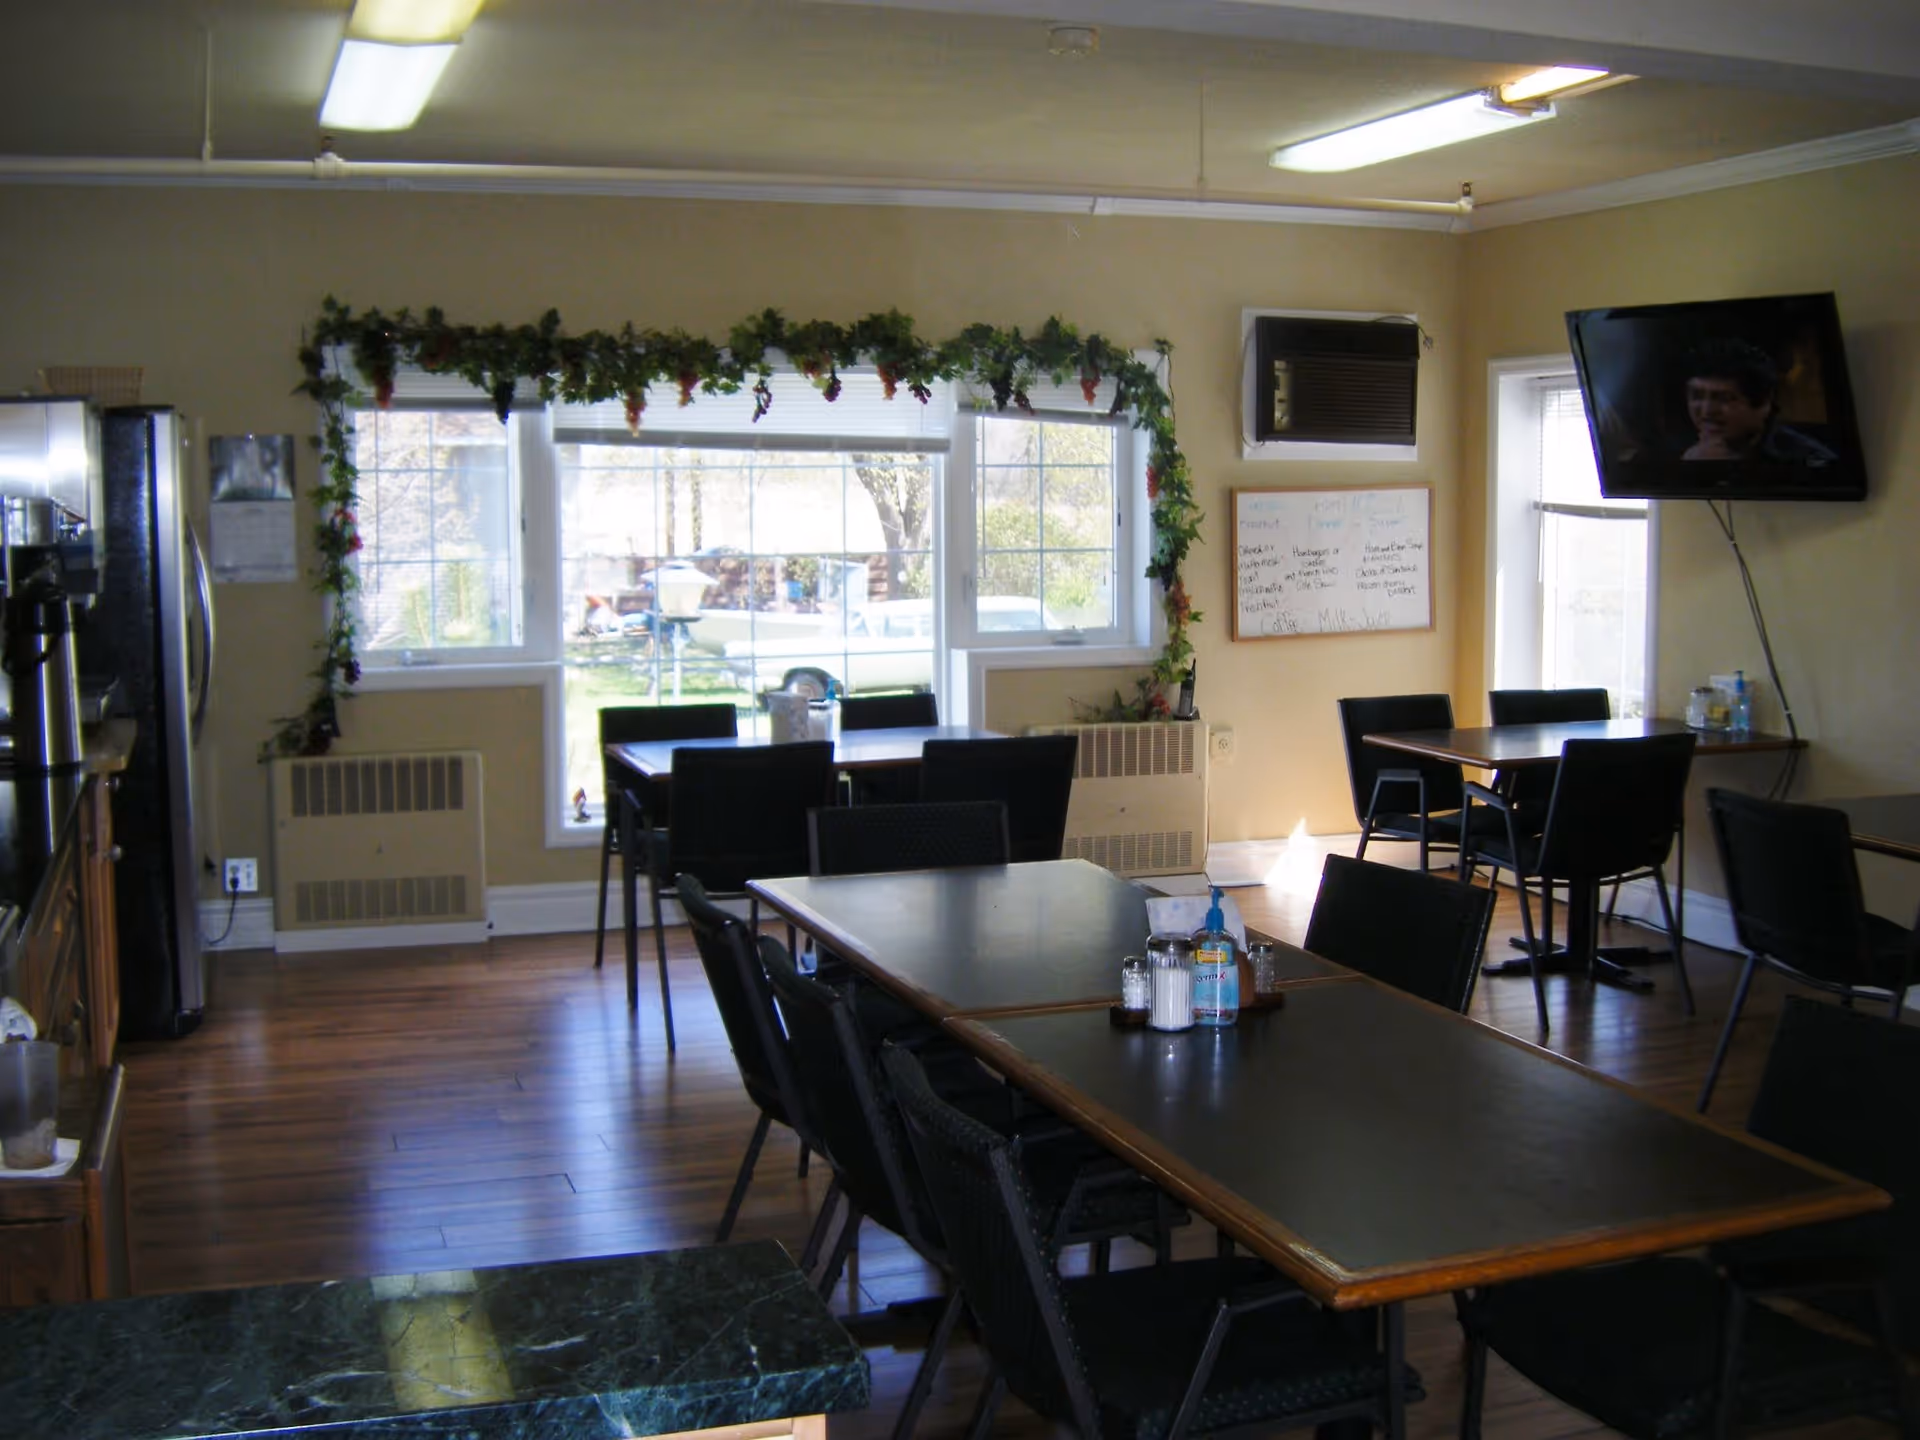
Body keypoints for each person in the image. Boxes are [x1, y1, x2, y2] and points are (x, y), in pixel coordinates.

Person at [1680, 338, 1835, 463]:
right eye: (1697, 396)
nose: (1707, 411)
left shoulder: (1811, 459)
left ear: (1764, 403)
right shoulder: (1677, 451)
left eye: (1724, 399)